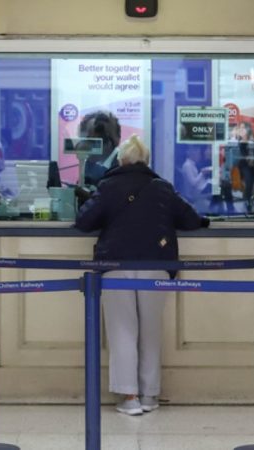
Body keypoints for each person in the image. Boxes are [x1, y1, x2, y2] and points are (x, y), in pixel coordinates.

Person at [73, 135, 210, 416]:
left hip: (116, 265)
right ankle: (150, 395)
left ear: (121, 160)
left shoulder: (108, 185)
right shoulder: (161, 187)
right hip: (155, 264)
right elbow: (191, 219)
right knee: (151, 331)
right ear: (147, 161)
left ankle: (130, 396)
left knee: (122, 330)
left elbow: (84, 221)